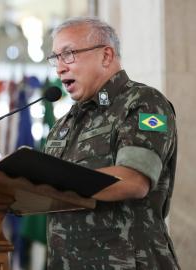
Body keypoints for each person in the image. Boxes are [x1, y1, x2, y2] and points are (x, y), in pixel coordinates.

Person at [44, 17, 180, 269]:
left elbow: (133, 180)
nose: (59, 68)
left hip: (129, 262)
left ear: (106, 56)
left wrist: (51, 180)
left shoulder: (143, 103)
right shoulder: (62, 126)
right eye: (55, 58)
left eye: (69, 54)